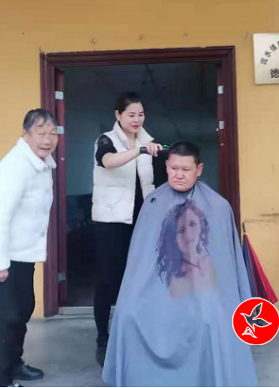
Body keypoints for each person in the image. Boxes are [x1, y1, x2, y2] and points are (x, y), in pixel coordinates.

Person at [102, 141, 257, 387]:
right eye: (174, 169)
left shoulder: (218, 206)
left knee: (211, 319)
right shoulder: (153, 203)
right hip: (159, 288)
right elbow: (141, 261)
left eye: (186, 169)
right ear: (166, 167)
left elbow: (225, 268)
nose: (179, 175)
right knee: (128, 314)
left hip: (206, 289)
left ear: (199, 169)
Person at [0, 109, 58, 387]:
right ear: (26, 135)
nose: (47, 139)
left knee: (23, 309)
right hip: (1, 253)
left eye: (52, 133)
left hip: (22, 253)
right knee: (8, 316)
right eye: (40, 133)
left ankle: (14, 364)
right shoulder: (15, 166)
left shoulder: (42, 163)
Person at [91, 92, 163, 367]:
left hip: (141, 222)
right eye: (131, 114)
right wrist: (140, 150)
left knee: (138, 278)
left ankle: (134, 334)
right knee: (107, 280)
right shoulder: (105, 140)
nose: (136, 119)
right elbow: (108, 161)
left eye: (140, 114)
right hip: (110, 222)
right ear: (118, 115)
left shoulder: (149, 141)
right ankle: (103, 337)